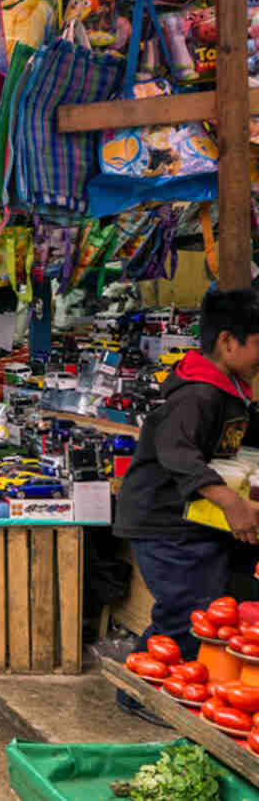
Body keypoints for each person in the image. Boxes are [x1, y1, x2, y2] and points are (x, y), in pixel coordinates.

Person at [114, 289, 259, 725]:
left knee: (211, 604)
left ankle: (194, 688)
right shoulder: (197, 394)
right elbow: (176, 452)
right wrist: (231, 502)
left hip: (193, 523)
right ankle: (136, 690)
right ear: (228, 342)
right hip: (163, 524)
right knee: (186, 610)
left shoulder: (231, 388)